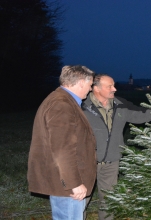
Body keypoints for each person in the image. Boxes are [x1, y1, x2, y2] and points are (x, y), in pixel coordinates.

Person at [82, 74, 151, 220]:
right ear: (95, 88)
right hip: (87, 162)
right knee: (81, 200)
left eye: (114, 85)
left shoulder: (120, 104)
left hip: (111, 162)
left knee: (109, 200)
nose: (114, 89)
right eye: (109, 86)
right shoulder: (82, 107)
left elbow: (143, 114)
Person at [27, 65, 96, 220]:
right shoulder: (62, 105)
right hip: (67, 185)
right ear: (80, 83)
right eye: (90, 85)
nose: (90, 89)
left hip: (63, 182)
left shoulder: (64, 100)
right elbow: (63, 149)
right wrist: (74, 183)